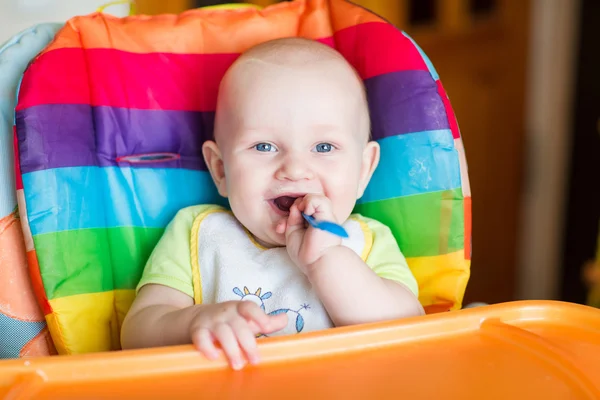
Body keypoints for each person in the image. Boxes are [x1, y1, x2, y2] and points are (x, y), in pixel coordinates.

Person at [121, 37, 424, 370]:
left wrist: (325, 259)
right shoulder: (197, 233)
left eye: (324, 147)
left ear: (364, 170)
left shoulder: (366, 241)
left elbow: (408, 328)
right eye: (264, 146)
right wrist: (194, 321)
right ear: (221, 169)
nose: (294, 169)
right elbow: (137, 332)